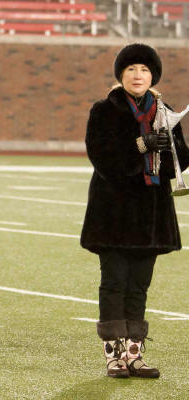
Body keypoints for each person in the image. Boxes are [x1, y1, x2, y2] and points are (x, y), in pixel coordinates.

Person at [81, 43, 189, 379]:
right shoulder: (104, 110)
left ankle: (134, 354)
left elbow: (178, 162)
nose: (138, 75)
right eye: (131, 69)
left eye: (144, 70)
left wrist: (172, 148)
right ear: (121, 75)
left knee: (140, 285)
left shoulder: (164, 110)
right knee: (114, 282)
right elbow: (102, 157)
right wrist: (141, 145)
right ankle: (113, 356)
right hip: (113, 212)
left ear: (152, 76)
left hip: (150, 213)